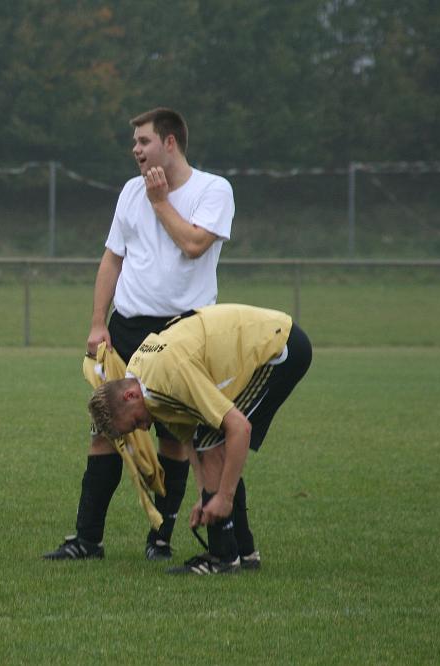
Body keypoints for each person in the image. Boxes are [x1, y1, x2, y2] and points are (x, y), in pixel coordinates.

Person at [44, 108, 235, 562]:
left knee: (173, 438)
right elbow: (113, 259)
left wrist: (160, 202)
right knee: (104, 429)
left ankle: (160, 538)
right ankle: (87, 539)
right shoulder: (131, 191)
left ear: (170, 143)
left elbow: (193, 245)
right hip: (126, 329)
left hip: (184, 332)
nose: (135, 149)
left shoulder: (213, 189)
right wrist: (97, 322)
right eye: (134, 141)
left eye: (144, 140)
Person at [87, 304, 312, 574]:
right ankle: (244, 552)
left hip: (278, 347)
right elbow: (192, 442)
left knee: (217, 437)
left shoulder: (166, 377)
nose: (143, 429)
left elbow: (239, 429)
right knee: (207, 439)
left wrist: (224, 497)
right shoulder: (141, 377)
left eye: (135, 423)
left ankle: (224, 557)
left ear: (130, 397)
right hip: (269, 339)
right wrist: (206, 498)